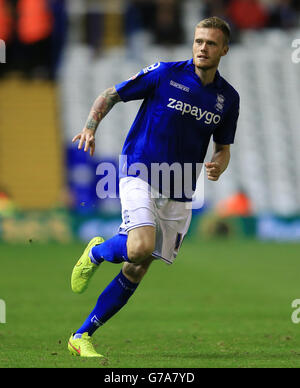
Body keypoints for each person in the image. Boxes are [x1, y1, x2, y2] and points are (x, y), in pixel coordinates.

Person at [68, 16, 240, 358]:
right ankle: (96, 253)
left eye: (210, 43)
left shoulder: (227, 98)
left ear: (224, 49)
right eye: (198, 41)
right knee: (139, 246)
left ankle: (81, 335)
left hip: (179, 186)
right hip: (140, 169)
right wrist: (91, 127)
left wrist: (219, 165)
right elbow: (111, 94)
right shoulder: (165, 72)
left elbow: (223, 148)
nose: (202, 48)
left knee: (136, 268)